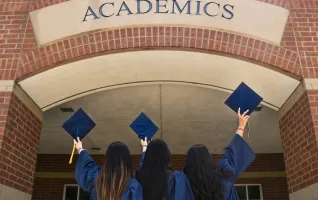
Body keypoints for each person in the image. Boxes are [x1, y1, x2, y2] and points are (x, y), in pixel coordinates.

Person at [184, 108, 255, 200]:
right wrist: (241, 126)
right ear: (208, 160)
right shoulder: (223, 178)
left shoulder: (181, 186)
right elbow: (232, 154)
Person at [74, 139, 143, 200]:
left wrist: (80, 148)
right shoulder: (133, 185)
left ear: (107, 159)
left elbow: (87, 165)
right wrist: (145, 148)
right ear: (127, 160)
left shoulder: (97, 178)